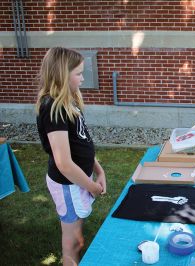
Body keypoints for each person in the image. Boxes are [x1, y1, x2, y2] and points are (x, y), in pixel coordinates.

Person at [36, 47, 107, 265]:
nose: (83, 78)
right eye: (78, 73)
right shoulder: (53, 109)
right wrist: (91, 186)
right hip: (68, 184)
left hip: (79, 181)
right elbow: (64, 164)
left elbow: (81, 141)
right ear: (61, 75)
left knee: (77, 233)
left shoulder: (70, 102)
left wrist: (99, 170)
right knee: (71, 241)